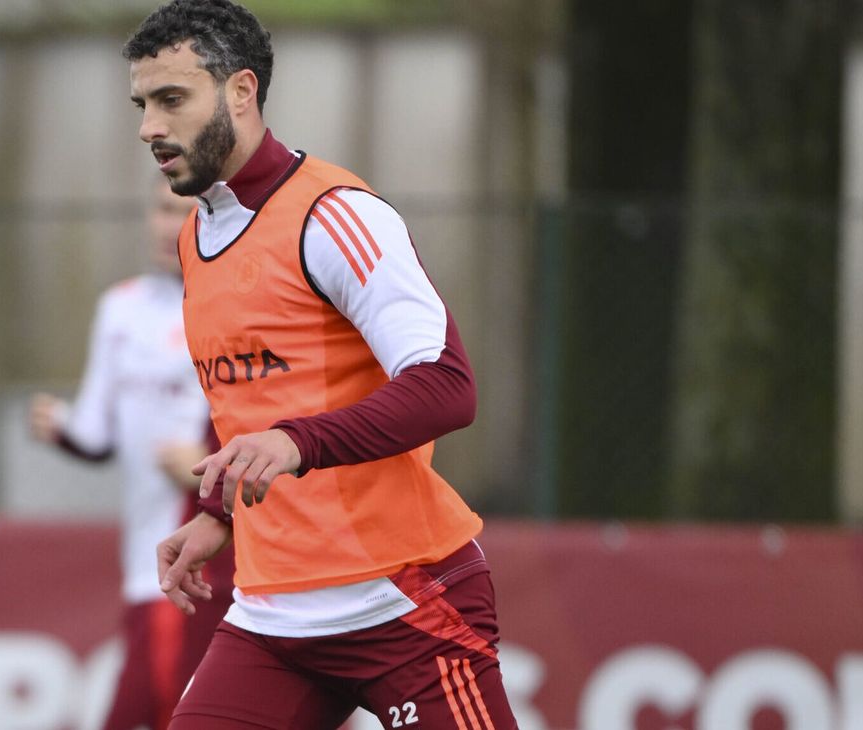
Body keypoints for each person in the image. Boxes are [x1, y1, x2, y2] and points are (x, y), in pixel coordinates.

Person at [123, 2, 519, 728]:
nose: (150, 126)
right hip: (273, 618)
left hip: (403, 600)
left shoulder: (334, 215)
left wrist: (298, 442)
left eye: (171, 99)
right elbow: (250, 401)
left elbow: (447, 386)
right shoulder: (195, 238)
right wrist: (218, 512)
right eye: (143, 104)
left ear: (241, 92)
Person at [28, 179, 234, 730]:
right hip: (146, 558)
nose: (170, 227)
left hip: (205, 561)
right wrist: (65, 428)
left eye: (185, 214)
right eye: (163, 211)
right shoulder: (120, 308)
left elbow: (285, 423)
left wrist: (211, 458)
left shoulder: (238, 307)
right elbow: (98, 433)